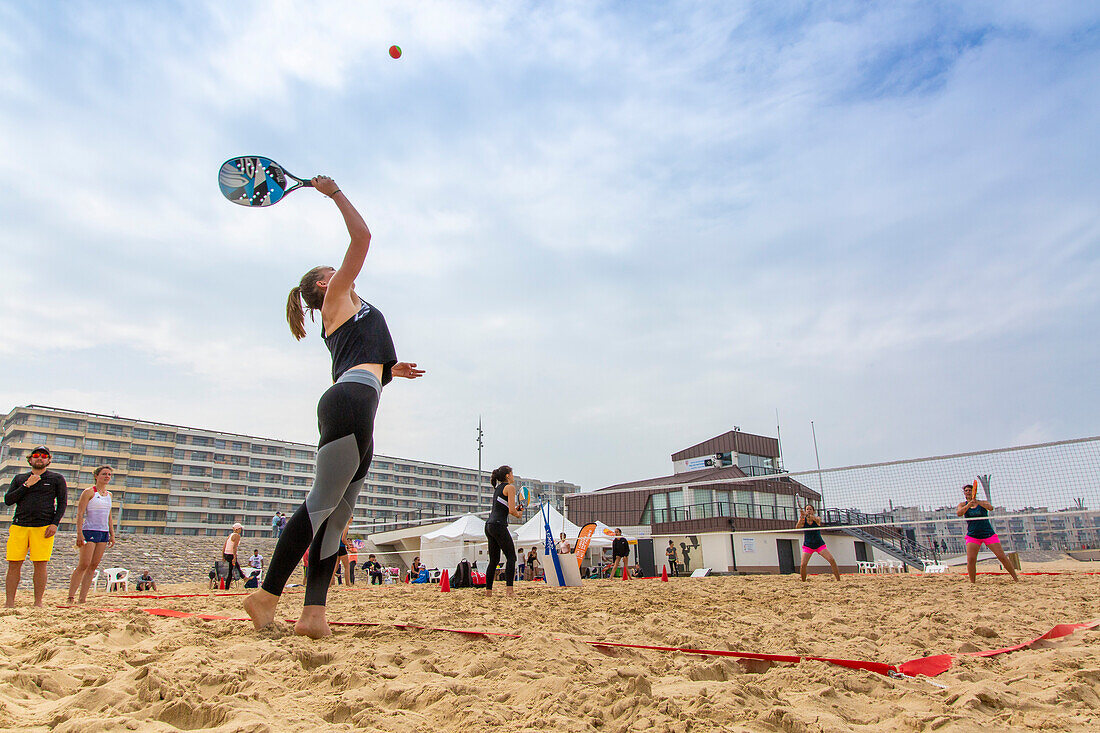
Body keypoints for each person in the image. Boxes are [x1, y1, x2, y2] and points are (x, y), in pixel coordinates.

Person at [243, 175, 425, 638]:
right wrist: (335, 194)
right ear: (327, 281)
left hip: (361, 399)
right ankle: (265, 596)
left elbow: (365, 364)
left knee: (338, 516)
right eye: (336, 271)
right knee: (321, 504)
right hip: (348, 401)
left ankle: (313, 615)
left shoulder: (349, 312)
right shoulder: (338, 295)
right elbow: (362, 238)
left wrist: (391, 371)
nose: (346, 273)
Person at [5, 446, 67, 608]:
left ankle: (38, 602)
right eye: (37, 455)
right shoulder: (20, 478)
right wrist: (26, 485)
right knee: (14, 563)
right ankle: (9, 602)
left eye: (44, 456)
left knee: (40, 564)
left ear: (49, 460)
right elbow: (8, 500)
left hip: (44, 527)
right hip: (19, 525)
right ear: (30, 459)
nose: (40, 458)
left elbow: (62, 503)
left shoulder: (56, 478)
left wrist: (55, 523)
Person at [67, 465, 116, 603]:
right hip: (89, 531)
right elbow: (80, 513)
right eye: (104, 474)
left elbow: (109, 516)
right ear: (96, 476)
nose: (107, 476)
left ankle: (82, 598)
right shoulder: (89, 492)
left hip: (103, 532)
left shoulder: (109, 495)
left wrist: (112, 534)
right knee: (84, 564)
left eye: (109, 474)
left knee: (93, 566)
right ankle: (71, 596)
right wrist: (79, 533)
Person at [957, 482, 1019, 583]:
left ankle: (1016, 579)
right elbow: (959, 513)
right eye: (966, 491)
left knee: (1001, 556)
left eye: (970, 490)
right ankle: (973, 583)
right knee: (971, 560)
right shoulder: (962, 504)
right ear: (964, 493)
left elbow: (990, 507)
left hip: (988, 533)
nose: (968, 492)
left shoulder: (982, 502)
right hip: (973, 535)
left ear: (974, 492)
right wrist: (969, 505)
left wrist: (976, 501)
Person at [484, 465, 522, 597]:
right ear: (507, 475)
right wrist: (518, 514)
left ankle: (488, 592)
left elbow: (503, 507)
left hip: (489, 525)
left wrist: (515, 509)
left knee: (493, 561)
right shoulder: (510, 487)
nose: (513, 476)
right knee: (511, 557)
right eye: (512, 473)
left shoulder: (498, 489)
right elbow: (512, 511)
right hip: (499, 525)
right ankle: (510, 591)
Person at [796, 504, 840, 581]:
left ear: (813, 511)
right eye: (807, 509)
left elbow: (814, 518)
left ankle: (838, 580)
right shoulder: (804, 520)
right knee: (803, 564)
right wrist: (801, 518)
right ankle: (803, 582)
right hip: (808, 545)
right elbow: (797, 527)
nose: (809, 510)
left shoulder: (817, 519)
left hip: (819, 545)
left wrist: (805, 514)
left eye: (810, 509)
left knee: (831, 560)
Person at [222, 523, 244, 588]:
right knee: (231, 571)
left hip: (226, 553)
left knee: (236, 566)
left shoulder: (230, 535)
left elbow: (224, 546)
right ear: (238, 529)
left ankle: (244, 577)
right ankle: (227, 587)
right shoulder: (237, 536)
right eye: (240, 529)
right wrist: (234, 557)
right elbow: (234, 547)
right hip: (231, 554)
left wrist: (223, 555)